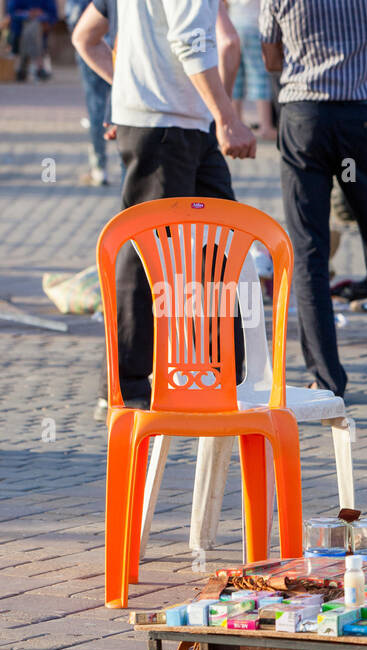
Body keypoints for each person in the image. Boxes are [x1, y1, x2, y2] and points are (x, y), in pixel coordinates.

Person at [75, 0, 257, 421]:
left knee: (218, 246)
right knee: (147, 255)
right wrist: (227, 117)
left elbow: (85, 35)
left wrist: (128, 90)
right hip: (166, 125)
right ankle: (125, 386)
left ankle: (220, 371)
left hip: (182, 124)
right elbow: (193, 41)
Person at [261, 0, 367, 402]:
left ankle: (326, 378)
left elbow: (270, 57)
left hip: (306, 121)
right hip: (362, 121)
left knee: (310, 252)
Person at [67, 0, 115, 185]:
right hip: (120, 45)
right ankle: (123, 163)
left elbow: (75, 19)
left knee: (97, 109)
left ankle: (99, 168)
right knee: (129, 108)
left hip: (93, 45)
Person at [227, 0, 274, 140]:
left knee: (236, 76)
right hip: (253, 26)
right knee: (260, 76)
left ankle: (235, 125)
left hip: (232, 27)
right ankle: (265, 126)